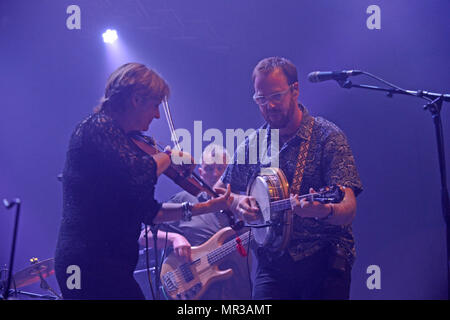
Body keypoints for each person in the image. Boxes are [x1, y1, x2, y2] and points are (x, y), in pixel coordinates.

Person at [54, 63, 233, 300]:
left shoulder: (124, 142)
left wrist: (206, 207)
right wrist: (168, 157)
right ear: (136, 100)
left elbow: (151, 212)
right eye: (155, 105)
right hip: (87, 261)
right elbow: (137, 172)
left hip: (112, 264)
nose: (158, 114)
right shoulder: (96, 127)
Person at [214, 57, 363, 300]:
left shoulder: (328, 137)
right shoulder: (255, 143)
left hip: (324, 257)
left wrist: (322, 210)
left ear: (295, 91)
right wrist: (237, 202)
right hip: (272, 264)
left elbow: (348, 208)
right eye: (261, 99)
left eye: (276, 96)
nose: (269, 106)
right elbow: (219, 190)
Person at [138, 144, 251, 300]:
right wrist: (174, 238)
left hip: (238, 293)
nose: (216, 174)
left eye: (221, 168)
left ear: (229, 172)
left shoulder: (243, 205)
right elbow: (145, 236)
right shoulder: (185, 201)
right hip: (198, 293)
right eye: (210, 169)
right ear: (200, 172)